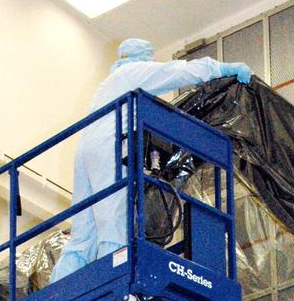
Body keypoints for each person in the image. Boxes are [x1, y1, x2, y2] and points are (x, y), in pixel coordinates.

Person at [51, 39, 251, 282]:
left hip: (86, 151)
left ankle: (59, 289)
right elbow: (175, 72)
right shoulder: (132, 72)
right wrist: (221, 69)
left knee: (84, 234)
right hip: (110, 146)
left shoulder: (107, 85)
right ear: (142, 57)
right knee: (115, 224)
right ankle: (114, 280)